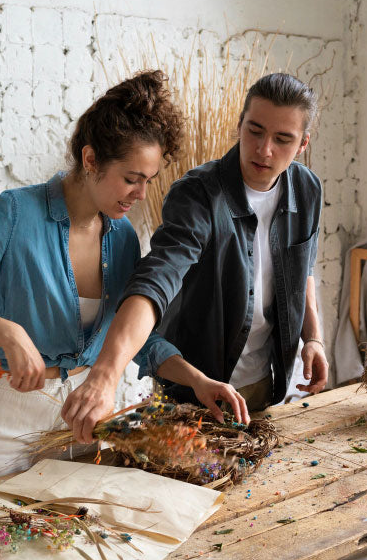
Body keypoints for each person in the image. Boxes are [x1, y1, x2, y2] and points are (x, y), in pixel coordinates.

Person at [0, 71, 244, 486]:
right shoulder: (11, 215)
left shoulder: (124, 237)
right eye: (132, 178)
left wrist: (196, 379)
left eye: (148, 181)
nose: (140, 194)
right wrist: (8, 333)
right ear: (90, 158)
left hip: (82, 416)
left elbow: (133, 337)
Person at [62, 72, 329, 444]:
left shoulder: (308, 189)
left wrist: (312, 338)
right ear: (239, 125)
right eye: (254, 131)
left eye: (282, 139)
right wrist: (105, 375)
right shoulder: (197, 195)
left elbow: (304, 267)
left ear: (302, 144)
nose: (264, 149)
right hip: (191, 395)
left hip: (266, 386)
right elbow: (157, 280)